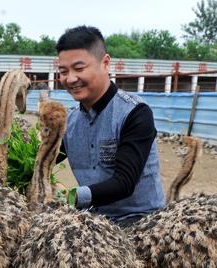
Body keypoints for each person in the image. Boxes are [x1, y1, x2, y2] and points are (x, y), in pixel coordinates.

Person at [56, 25, 165, 226]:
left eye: (79, 69)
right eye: (63, 71)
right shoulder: (68, 122)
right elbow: (43, 160)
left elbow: (124, 183)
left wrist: (68, 197)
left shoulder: (135, 113)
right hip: (95, 223)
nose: (70, 79)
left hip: (140, 222)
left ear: (105, 63)